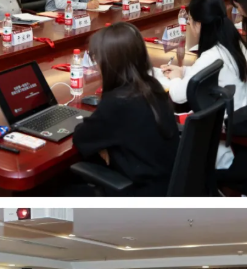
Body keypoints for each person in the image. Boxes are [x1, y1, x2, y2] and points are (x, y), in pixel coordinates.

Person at [72, 22, 179, 196]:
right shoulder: (152, 86)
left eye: (98, 59)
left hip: (141, 194)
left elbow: (81, 137)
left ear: (110, 63)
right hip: (166, 183)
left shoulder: (118, 102)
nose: (97, 66)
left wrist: (104, 147)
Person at [162, 0, 247, 172]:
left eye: (190, 20)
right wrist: (184, 71)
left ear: (199, 24)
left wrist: (175, 79)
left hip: (221, 139)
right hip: (239, 123)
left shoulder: (212, 55)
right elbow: (211, 74)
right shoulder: (234, 42)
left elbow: (178, 95)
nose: (189, 24)